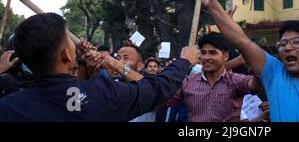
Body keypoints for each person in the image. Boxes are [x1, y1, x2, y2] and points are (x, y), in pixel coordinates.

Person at [0, 13, 199, 121]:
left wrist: (85, 66)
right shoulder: (102, 93)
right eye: (69, 40)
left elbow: (72, 103)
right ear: (66, 55)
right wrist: (185, 61)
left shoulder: (8, 108)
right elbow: (155, 89)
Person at [167, 32, 261, 122]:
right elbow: (164, 101)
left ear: (225, 56)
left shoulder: (235, 81)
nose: (206, 57)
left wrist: (256, 69)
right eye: (203, 53)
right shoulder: (187, 82)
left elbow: (254, 85)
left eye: (213, 53)